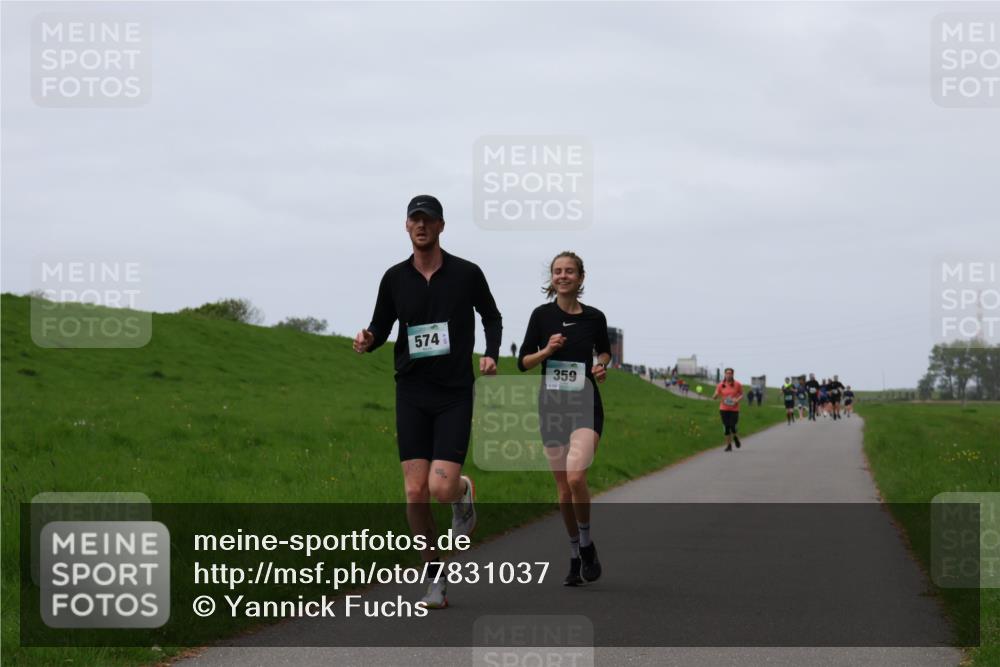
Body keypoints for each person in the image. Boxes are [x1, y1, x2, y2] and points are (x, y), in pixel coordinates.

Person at [354, 194, 502, 609]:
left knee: (440, 490)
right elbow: (381, 326)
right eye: (414, 220)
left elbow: (491, 315)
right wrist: (367, 339)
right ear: (406, 227)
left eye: (429, 220)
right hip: (412, 391)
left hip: (454, 392)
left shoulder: (467, 273)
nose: (421, 226)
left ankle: (462, 492)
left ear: (441, 226)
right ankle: (435, 580)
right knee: (415, 492)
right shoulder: (394, 278)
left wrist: (490, 351)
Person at [518, 251, 611, 587]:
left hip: (586, 404)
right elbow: (523, 362)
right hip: (552, 406)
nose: (562, 276)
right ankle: (575, 553)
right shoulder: (541, 316)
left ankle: (586, 544)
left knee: (575, 479)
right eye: (557, 271)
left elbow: (604, 351)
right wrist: (547, 351)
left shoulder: (595, 317)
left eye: (569, 271)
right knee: (562, 488)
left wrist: (602, 365)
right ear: (552, 278)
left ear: (580, 278)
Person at [712, 367, 744, 451]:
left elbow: (741, 394)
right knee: (726, 427)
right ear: (725, 374)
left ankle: (735, 437)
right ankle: (728, 445)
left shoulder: (737, 384)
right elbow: (716, 394)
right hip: (724, 409)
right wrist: (715, 396)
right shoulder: (721, 384)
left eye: (730, 373)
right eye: (727, 373)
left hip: (734, 409)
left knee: (732, 426)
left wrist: (737, 400)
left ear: (733, 374)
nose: (728, 375)